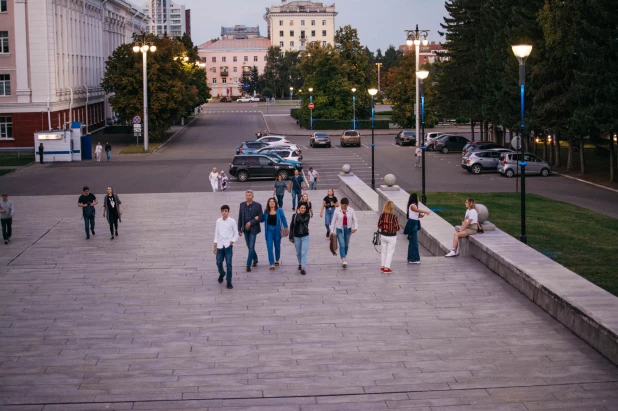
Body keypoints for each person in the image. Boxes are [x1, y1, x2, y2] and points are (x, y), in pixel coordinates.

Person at [214, 204, 238, 290]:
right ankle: (222, 273)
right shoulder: (218, 221)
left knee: (228, 263)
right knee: (218, 262)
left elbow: (235, 232)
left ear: (228, 212)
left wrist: (233, 241)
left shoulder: (232, 221)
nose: (224, 213)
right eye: (223, 211)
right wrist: (215, 244)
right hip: (220, 245)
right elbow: (216, 233)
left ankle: (229, 280)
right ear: (221, 212)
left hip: (228, 245)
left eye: (226, 211)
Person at [237, 190, 263, 271]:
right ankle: (255, 259)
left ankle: (248, 265)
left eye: (249, 195)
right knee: (249, 246)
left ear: (253, 196)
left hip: (253, 229)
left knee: (251, 246)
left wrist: (251, 222)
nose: (248, 197)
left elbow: (261, 217)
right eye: (247, 195)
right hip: (245, 229)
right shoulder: (242, 205)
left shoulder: (257, 205)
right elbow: (240, 217)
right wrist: (239, 229)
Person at [329, 198, 358, 268]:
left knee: (346, 244)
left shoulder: (351, 210)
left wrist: (355, 228)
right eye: (344, 205)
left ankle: (344, 255)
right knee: (342, 244)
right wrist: (331, 231)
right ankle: (343, 259)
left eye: (346, 205)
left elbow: (355, 220)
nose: (345, 206)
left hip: (348, 229)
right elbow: (333, 221)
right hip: (339, 229)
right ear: (341, 204)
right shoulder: (337, 210)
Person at [263, 197, 288, 270]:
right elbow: (262, 219)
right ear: (268, 203)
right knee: (269, 247)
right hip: (269, 231)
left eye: (273, 202)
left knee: (277, 246)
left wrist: (286, 227)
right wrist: (257, 217)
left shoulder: (279, 210)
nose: (271, 203)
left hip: (277, 230)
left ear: (275, 203)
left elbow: (283, 218)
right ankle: (271, 263)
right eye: (270, 202)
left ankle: (277, 259)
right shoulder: (266, 211)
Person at [404, 193, 430, 264]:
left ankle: (411, 258)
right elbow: (416, 210)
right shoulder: (412, 205)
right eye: (417, 198)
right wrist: (425, 211)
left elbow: (416, 215)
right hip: (412, 224)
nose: (418, 199)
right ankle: (413, 259)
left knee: (413, 242)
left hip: (414, 223)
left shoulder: (413, 206)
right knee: (414, 242)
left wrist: (422, 215)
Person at [377, 200, 401, 273]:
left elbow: (379, 225)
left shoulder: (382, 215)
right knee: (390, 252)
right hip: (391, 236)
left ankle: (382, 266)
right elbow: (397, 228)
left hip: (383, 235)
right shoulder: (394, 217)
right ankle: (387, 268)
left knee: (383, 251)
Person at [289, 203, 310, 275]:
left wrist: (298, 214)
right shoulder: (294, 216)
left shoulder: (307, 215)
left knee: (304, 252)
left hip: (305, 236)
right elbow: (292, 226)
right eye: (301, 208)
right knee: (298, 252)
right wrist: (290, 236)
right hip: (296, 236)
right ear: (298, 208)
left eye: (304, 208)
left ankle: (303, 268)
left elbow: (303, 221)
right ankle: (300, 263)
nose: (303, 209)